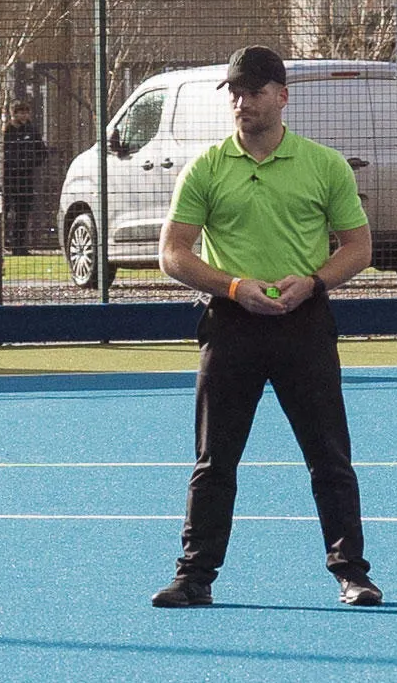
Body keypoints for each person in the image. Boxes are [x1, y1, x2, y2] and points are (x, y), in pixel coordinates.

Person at [154, 47, 380, 608]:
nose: (241, 101)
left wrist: (314, 282)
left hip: (304, 324)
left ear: (282, 95)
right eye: (234, 91)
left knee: (329, 456)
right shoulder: (205, 168)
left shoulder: (323, 165)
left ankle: (352, 572)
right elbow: (173, 253)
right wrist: (233, 288)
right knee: (215, 460)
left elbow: (359, 247)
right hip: (231, 326)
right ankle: (194, 576)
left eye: (253, 91)